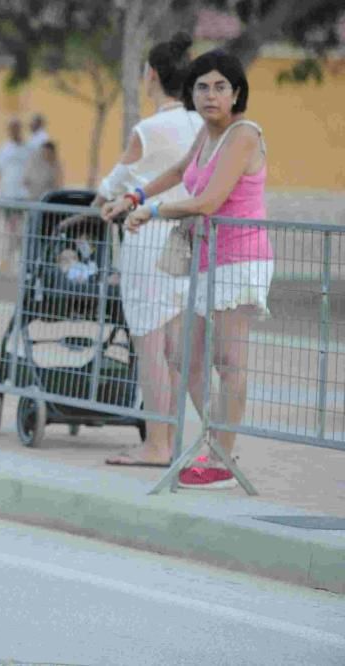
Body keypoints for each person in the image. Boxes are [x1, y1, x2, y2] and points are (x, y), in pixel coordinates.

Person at [103, 49, 273, 489]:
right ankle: (217, 444)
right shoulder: (207, 133)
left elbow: (208, 201)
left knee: (228, 359)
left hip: (240, 260)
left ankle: (220, 459)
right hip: (205, 257)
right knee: (182, 353)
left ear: (236, 93)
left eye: (220, 87)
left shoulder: (242, 134)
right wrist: (133, 198)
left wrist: (152, 211)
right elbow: (179, 171)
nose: (210, 95)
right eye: (201, 86)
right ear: (190, 93)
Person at [68, 33, 203, 467]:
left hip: (149, 245)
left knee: (151, 348)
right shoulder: (204, 126)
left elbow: (112, 186)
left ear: (152, 77)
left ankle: (158, 443)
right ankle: (195, 441)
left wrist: (93, 210)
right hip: (193, 242)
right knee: (184, 352)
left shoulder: (149, 130)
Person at [0, 117, 30, 275]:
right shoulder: (4, 149)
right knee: (14, 231)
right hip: (7, 196)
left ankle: (12, 261)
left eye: (17, 128)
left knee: (19, 231)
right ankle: (11, 261)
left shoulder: (27, 149)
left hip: (22, 197)